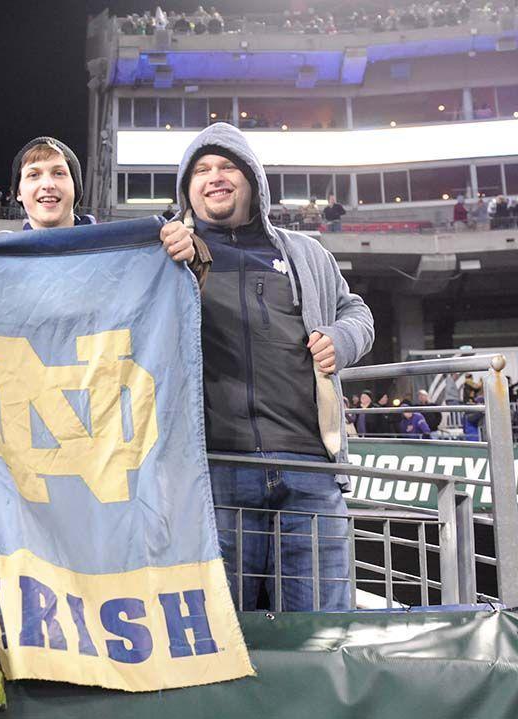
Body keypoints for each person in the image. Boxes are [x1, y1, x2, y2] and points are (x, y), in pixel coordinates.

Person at [159, 122, 374, 611]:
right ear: (187, 189)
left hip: (310, 471)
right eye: (202, 169)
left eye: (228, 166)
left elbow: (356, 312)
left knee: (322, 636)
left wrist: (341, 339)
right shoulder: (170, 257)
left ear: (252, 178)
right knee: (223, 639)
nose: (215, 176)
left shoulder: (305, 252)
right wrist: (174, 264)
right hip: (216, 472)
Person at [0, 136, 210, 287]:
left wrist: (189, 251)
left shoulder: (119, 250)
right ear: (18, 194)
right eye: (34, 175)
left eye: (59, 174)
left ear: (76, 189)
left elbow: (171, 294)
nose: (47, 185)